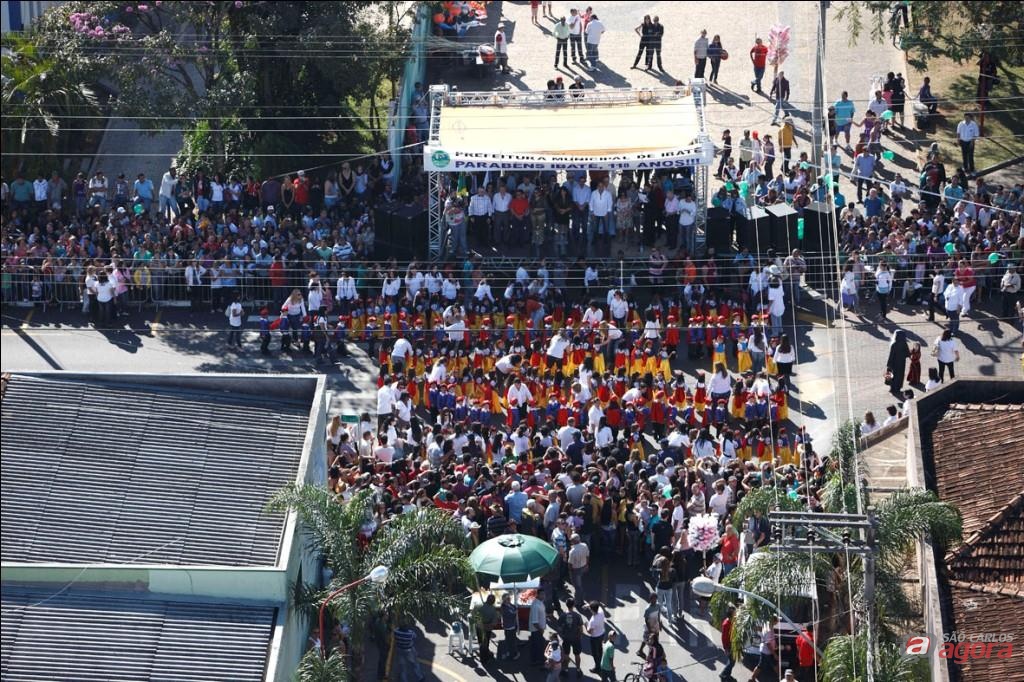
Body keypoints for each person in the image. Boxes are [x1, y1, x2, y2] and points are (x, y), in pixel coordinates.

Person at [886, 329, 910, 395]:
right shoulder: (904, 343)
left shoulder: (894, 344)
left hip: (894, 363)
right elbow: (908, 353)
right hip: (902, 363)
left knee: (893, 376)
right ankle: (898, 388)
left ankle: (893, 388)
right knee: (900, 375)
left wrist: (889, 364)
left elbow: (891, 355)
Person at [528, 591, 548, 666]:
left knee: (537, 645)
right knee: (538, 646)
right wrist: (541, 629)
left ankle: (536, 660)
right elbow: (535, 622)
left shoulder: (540, 602)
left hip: (538, 630)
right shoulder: (536, 606)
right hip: (536, 630)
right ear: (538, 595)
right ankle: (538, 661)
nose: (544, 595)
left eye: (544, 594)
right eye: (542, 594)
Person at [500, 593, 520, 660]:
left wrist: (515, 608)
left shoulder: (508, 605)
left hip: (511, 626)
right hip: (509, 626)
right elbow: (510, 615)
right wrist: (515, 611)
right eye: (508, 598)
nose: (510, 599)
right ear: (505, 600)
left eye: (509, 598)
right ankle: (514, 653)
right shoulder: (504, 608)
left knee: (510, 640)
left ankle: (509, 652)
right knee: (511, 641)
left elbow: (513, 607)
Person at [720, 605, 736, 681]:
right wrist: (726, 648)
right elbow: (724, 637)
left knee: (732, 661)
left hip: (732, 644)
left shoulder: (732, 621)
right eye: (734, 612)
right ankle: (723, 674)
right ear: (731, 613)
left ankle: (727, 675)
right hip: (729, 646)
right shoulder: (726, 623)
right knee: (732, 662)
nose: (735, 613)